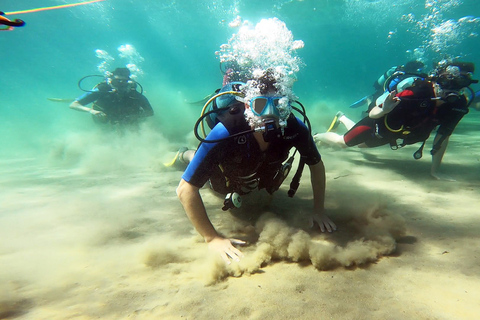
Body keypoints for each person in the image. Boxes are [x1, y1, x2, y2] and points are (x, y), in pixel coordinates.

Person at [174, 69, 337, 264]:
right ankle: (187, 155)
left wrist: (319, 210)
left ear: (286, 106)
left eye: (278, 105)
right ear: (247, 105)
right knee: (216, 184)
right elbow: (185, 189)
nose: (270, 114)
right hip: (226, 169)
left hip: (262, 164)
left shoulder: (294, 127)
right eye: (260, 105)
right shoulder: (226, 129)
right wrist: (212, 237)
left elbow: (316, 165)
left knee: (269, 184)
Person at [315, 61, 478, 181]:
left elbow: (443, 137)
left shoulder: (457, 105)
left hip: (392, 134)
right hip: (377, 123)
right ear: (439, 80)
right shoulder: (417, 91)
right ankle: (315, 136)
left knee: (359, 146)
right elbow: (373, 114)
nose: (450, 93)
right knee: (343, 143)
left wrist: (435, 171)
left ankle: (341, 117)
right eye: (448, 84)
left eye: (460, 86)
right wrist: (384, 109)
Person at [69, 67, 154, 125]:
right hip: (104, 122)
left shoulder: (134, 94)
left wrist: (133, 117)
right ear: (110, 81)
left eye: (123, 82)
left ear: (128, 82)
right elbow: (74, 105)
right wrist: (92, 111)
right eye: (117, 82)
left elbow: (150, 112)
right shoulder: (102, 90)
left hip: (128, 123)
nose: (120, 85)